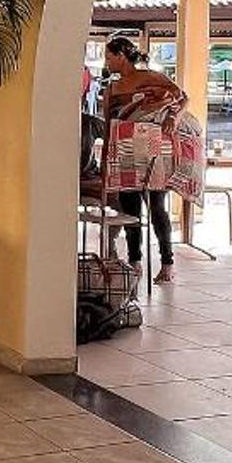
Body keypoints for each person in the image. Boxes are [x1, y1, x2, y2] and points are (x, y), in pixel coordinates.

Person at [98, 36, 186, 281]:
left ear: (121, 56)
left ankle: (167, 263)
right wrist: (106, 162)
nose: (107, 62)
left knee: (157, 208)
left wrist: (174, 118)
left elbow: (182, 98)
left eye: (109, 57)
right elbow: (109, 127)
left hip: (153, 152)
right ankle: (134, 261)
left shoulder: (151, 77)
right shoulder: (112, 88)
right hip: (124, 155)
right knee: (131, 211)